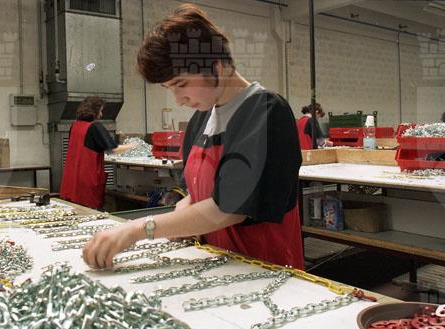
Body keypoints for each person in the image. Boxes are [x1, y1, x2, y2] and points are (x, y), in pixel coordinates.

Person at [82, 4, 304, 270]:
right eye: (170, 88)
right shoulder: (200, 121)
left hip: (267, 269)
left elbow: (229, 208)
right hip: (216, 266)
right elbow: (201, 192)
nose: (178, 99)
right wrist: (185, 209)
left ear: (217, 66)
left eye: (181, 84)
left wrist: (139, 228)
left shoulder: (266, 113)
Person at [59, 96, 134, 209]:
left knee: (76, 211)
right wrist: (133, 145)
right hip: (87, 182)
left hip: (72, 181)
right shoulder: (95, 127)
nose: (101, 114)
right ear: (95, 110)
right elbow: (113, 150)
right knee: (90, 212)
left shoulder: (74, 126)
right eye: (101, 110)